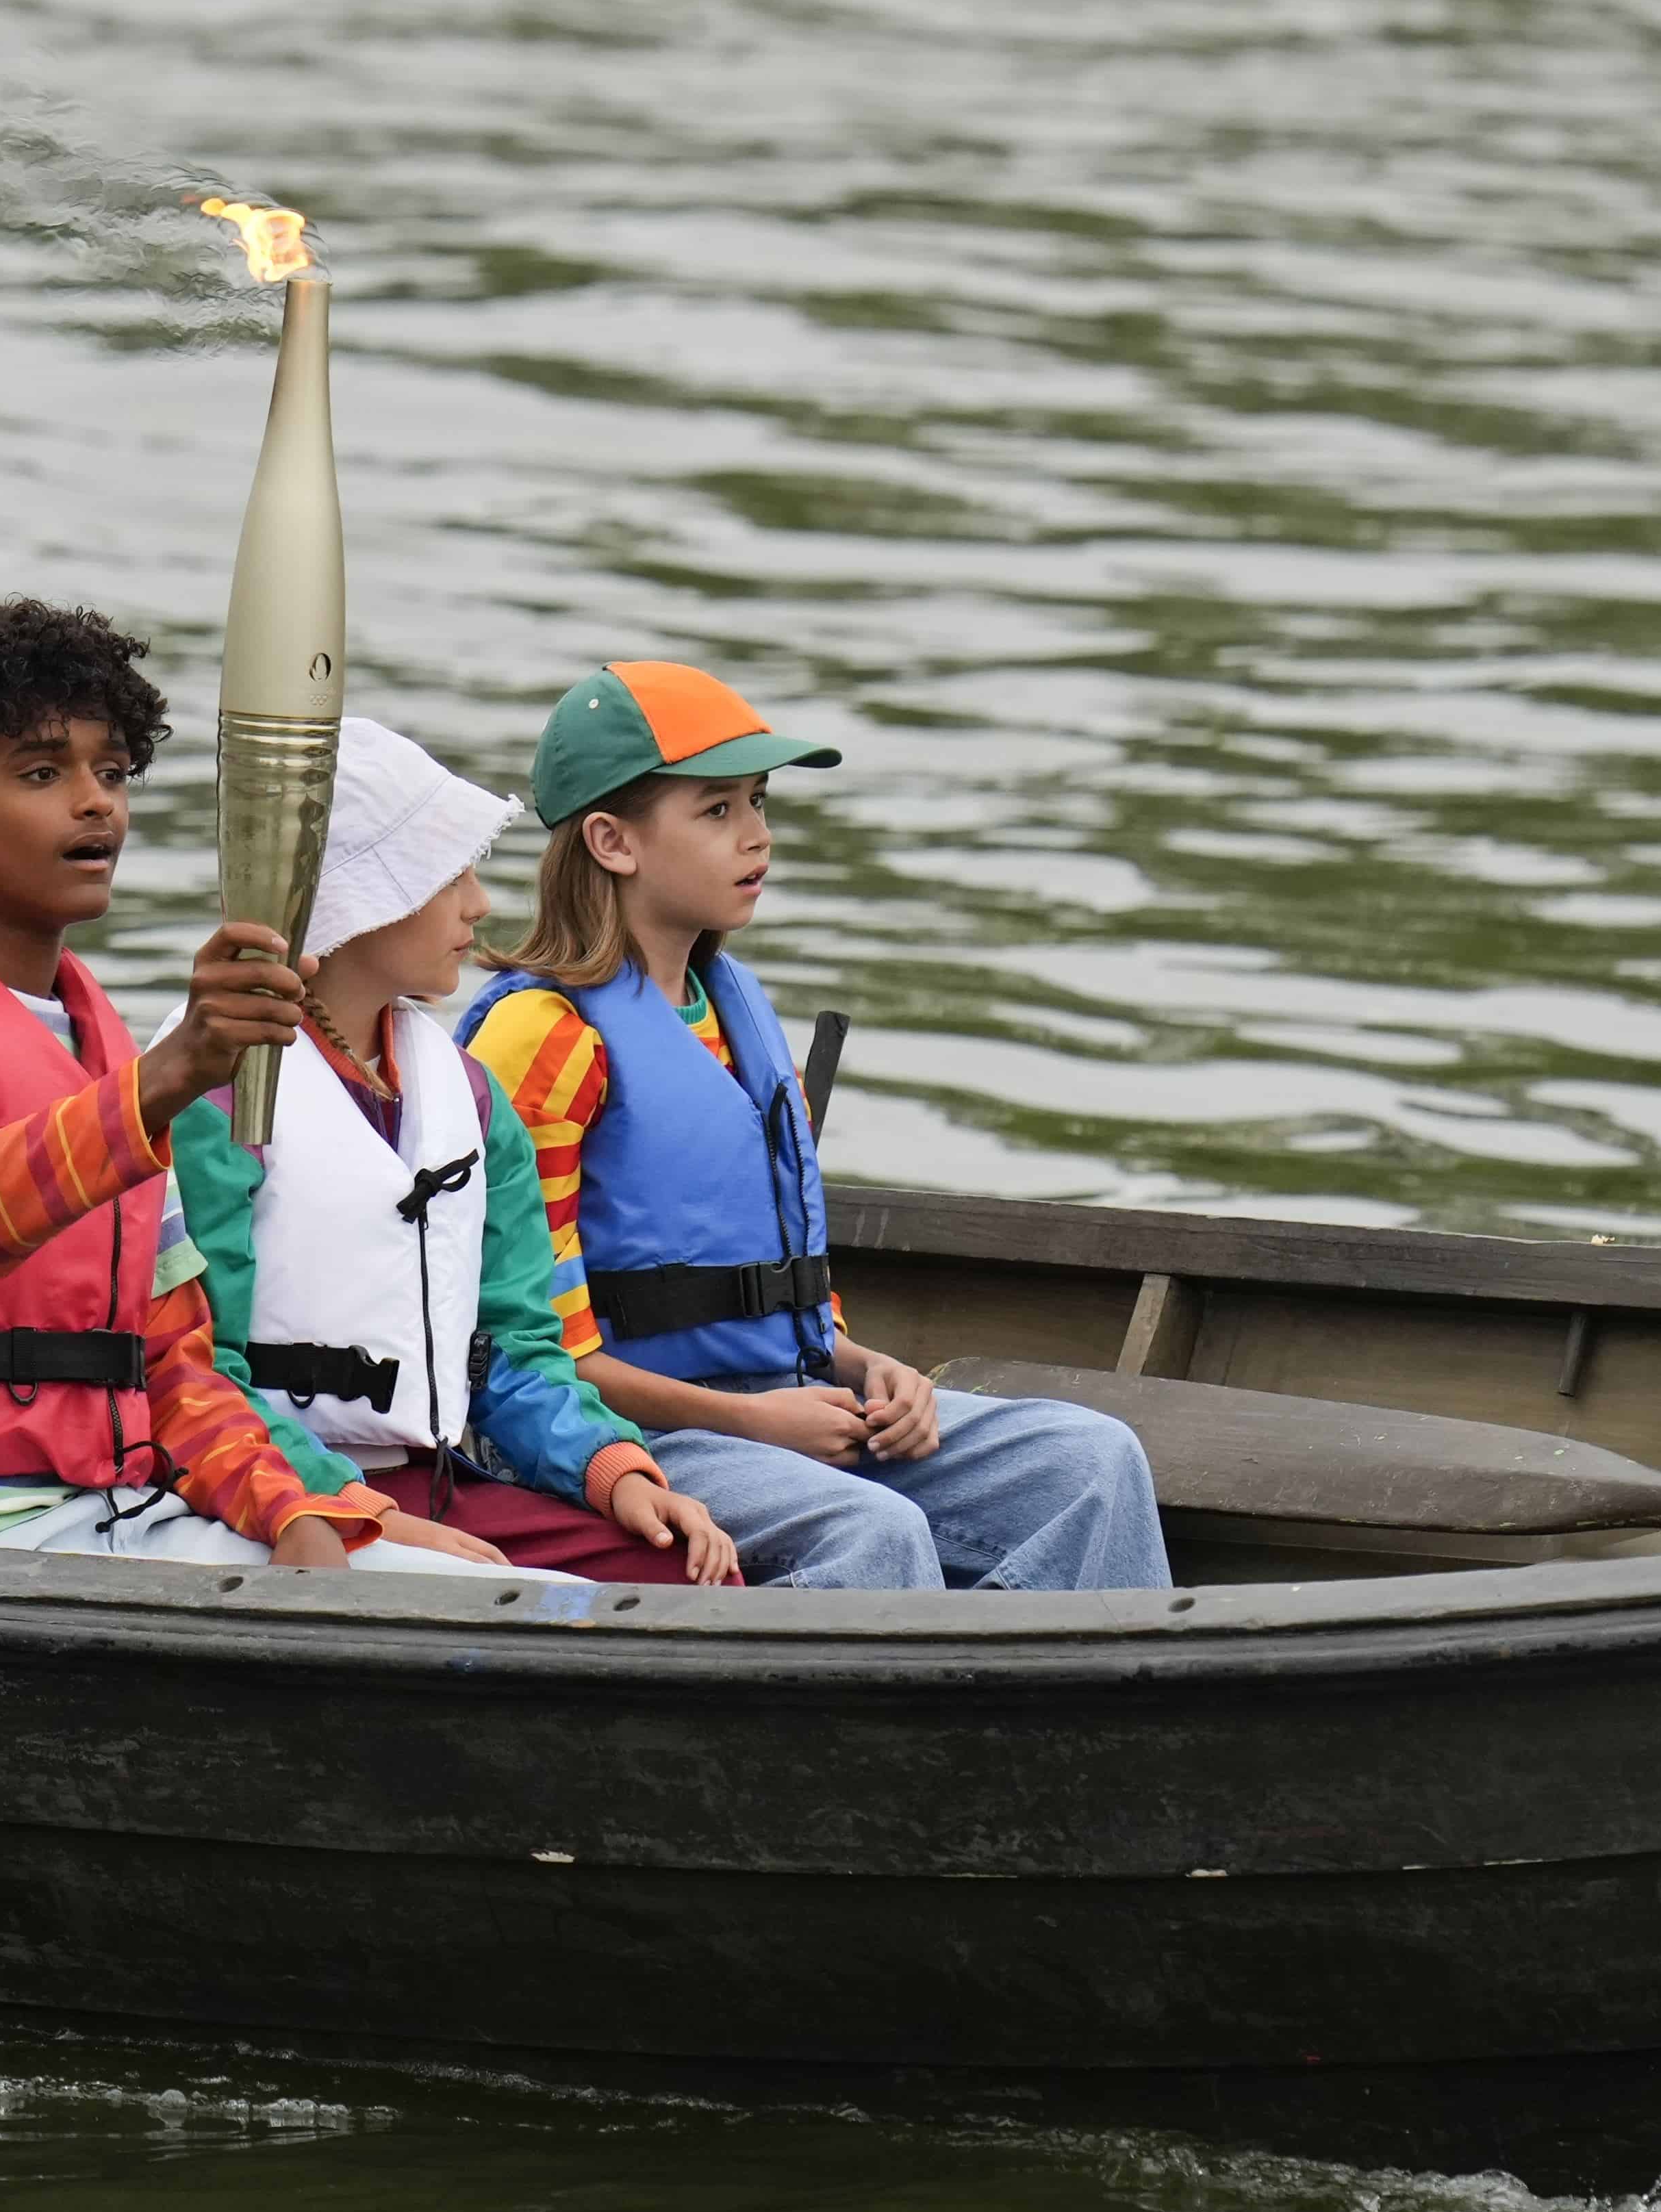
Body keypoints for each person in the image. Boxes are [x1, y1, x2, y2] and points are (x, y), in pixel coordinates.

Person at [0, 602, 523, 1577]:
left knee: (517, 1598)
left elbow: (172, 1363)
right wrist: (166, 1080)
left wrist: (302, 1514)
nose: (97, 803)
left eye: (111, 773)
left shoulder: (97, 1045)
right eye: (42, 774)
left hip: (108, 1516)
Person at [459, 662, 1170, 1591]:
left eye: (758, 802)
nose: (758, 836)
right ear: (612, 840)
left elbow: (793, 1309)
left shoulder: (732, 1012)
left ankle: (1055, 1722)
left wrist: (876, 1369)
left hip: (787, 1405)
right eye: (716, 810)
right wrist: (758, 1423)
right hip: (634, 1437)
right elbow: (539, 1353)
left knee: (1093, 1464)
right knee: (872, 1533)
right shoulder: (543, 1040)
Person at [168, 717, 742, 1586]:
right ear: (361, 899)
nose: (478, 905)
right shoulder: (213, 1094)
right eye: (450, 876)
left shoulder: (469, 1098)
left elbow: (513, 1346)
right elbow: (200, 1368)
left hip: (439, 1484)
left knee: (683, 1575)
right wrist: (362, 1515)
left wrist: (613, 1469)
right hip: (287, 1494)